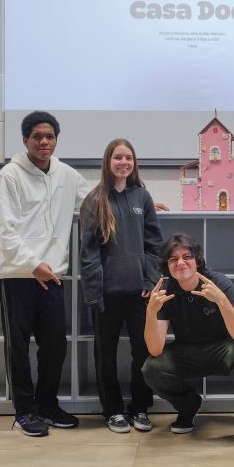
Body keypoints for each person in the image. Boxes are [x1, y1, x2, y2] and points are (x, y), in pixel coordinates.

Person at [0, 111, 90, 437]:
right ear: (25, 141)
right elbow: (5, 230)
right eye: (37, 137)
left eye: (50, 137)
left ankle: (47, 404)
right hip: (16, 273)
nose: (44, 142)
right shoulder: (10, 175)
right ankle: (24, 410)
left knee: (55, 345)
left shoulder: (66, 174)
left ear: (56, 140)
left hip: (51, 275)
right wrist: (32, 263)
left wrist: (144, 201)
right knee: (18, 346)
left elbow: (95, 201)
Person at [142, 233, 234, 451]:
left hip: (222, 350)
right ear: (167, 266)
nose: (180, 263)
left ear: (197, 260)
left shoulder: (219, 283)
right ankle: (188, 406)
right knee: (151, 367)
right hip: (186, 352)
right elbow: (155, 349)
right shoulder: (165, 291)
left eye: (186, 257)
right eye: (173, 259)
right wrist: (150, 313)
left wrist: (221, 300)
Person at [80, 139, 163, 434]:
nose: (123, 162)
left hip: (140, 293)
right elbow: (88, 253)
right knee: (106, 354)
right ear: (108, 161)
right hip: (107, 295)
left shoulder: (143, 197)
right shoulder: (94, 200)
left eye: (128, 157)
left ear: (134, 162)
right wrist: (95, 292)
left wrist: (150, 280)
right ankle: (113, 410)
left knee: (143, 352)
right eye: (118, 157)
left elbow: (155, 245)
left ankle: (140, 408)